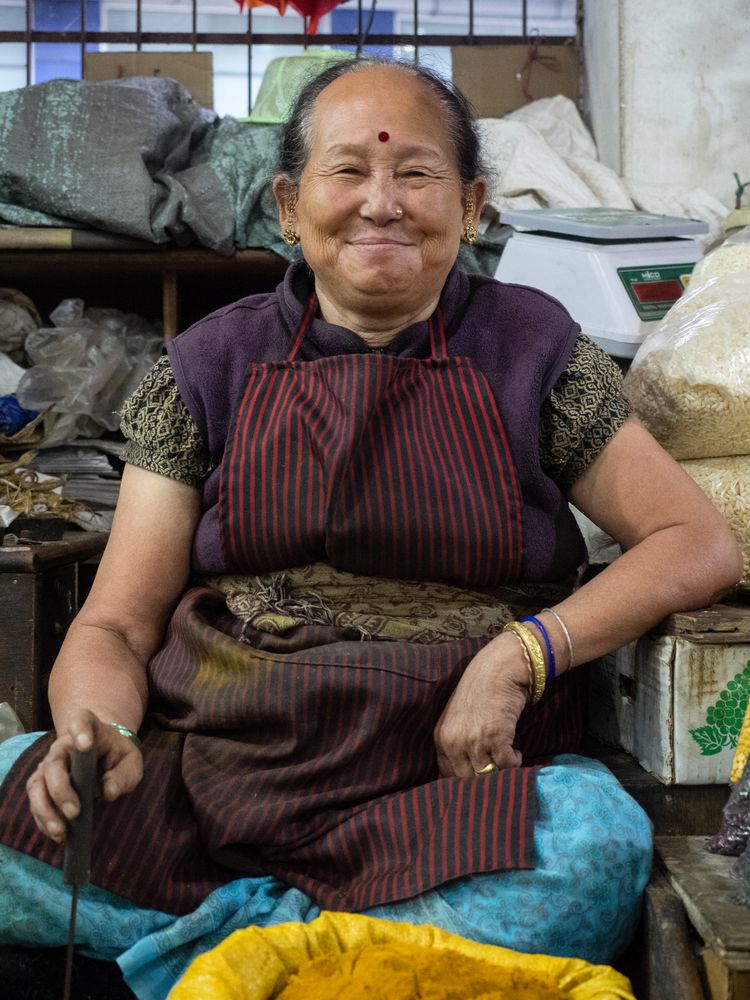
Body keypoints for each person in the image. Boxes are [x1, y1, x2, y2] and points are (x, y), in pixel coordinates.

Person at [0, 58, 742, 998]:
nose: (380, 203)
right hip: (218, 770)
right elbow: (114, 625)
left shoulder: (536, 347)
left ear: (472, 205)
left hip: (444, 786)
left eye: (416, 174)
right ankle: (320, 944)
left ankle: (231, 945)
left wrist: (518, 656)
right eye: (347, 171)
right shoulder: (205, 364)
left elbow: (697, 541)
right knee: (18, 801)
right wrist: (95, 727)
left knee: (593, 850)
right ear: (288, 205)